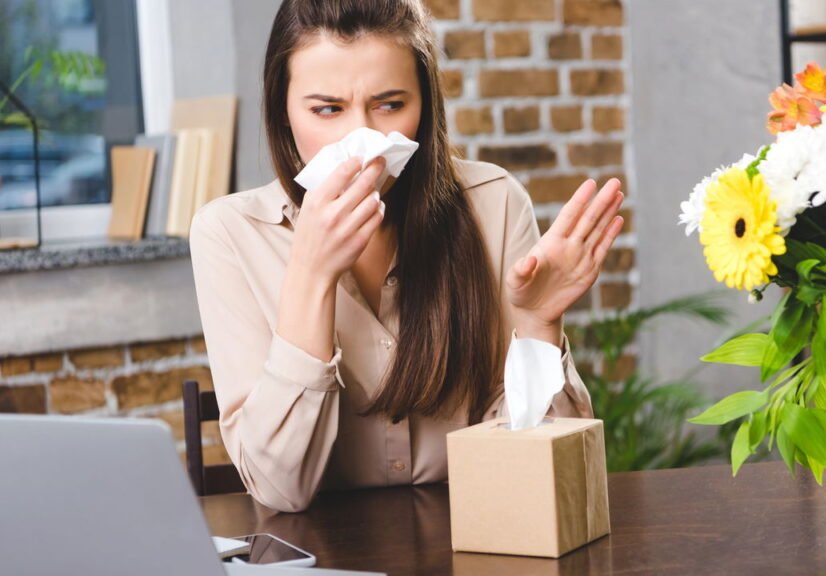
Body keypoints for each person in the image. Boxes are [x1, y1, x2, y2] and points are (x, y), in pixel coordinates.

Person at [189, 0, 624, 513]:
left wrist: (536, 327)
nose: (362, 141)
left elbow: (547, 473)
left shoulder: (495, 203)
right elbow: (280, 489)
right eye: (327, 109)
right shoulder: (230, 232)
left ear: (426, 106)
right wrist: (311, 273)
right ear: (283, 111)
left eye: (390, 105)